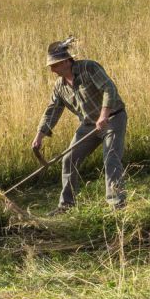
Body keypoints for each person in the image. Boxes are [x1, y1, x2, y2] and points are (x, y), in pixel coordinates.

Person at [31, 38, 127, 214]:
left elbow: (109, 89)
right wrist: (39, 136)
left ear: (67, 61)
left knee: (111, 159)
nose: (51, 69)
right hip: (89, 124)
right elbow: (52, 110)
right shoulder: (60, 86)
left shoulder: (89, 68)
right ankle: (66, 205)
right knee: (69, 160)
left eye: (55, 65)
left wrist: (104, 115)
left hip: (112, 119)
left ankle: (117, 206)